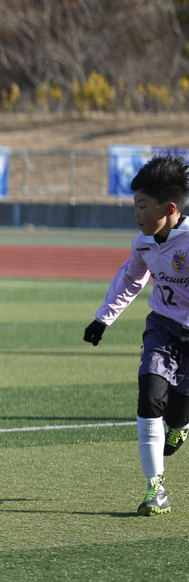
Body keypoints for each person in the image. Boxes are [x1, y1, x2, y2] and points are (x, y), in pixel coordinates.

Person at [84, 153, 189, 516]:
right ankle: (155, 489)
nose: (136, 213)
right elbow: (131, 279)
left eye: (142, 205)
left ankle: (181, 423)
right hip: (162, 327)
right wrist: (103, 319)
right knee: (149, 396)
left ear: (169, 207)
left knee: (178, 411)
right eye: (135, 205)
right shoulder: (143, 243)